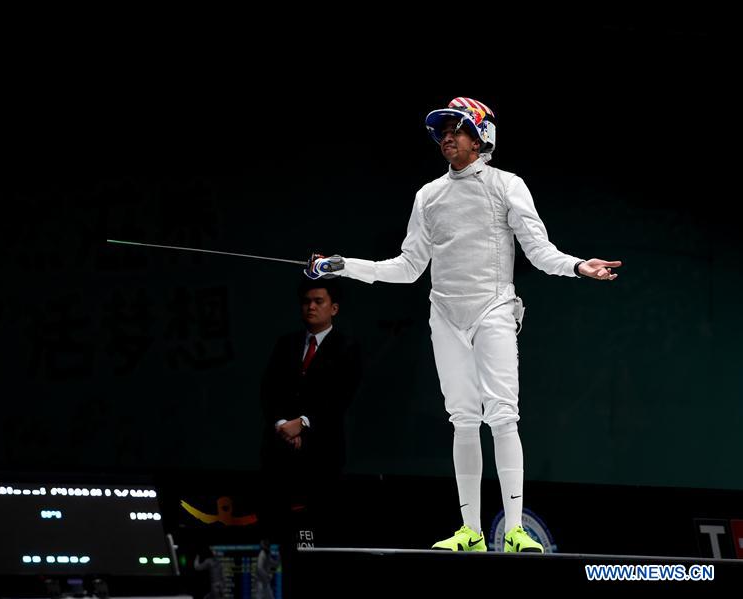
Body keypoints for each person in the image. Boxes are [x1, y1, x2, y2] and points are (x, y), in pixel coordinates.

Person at [307, 97, 621, 552]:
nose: (447, 136)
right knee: (463, 419)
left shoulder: (506, 186)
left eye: (457, 128)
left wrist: (577, 266)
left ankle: (514, 529)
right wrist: (342, 266)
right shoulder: (428, 196)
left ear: (481, 137)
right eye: (443, 131)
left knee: (503, 415)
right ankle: (470, 531)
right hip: (446, 316)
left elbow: (539, 250)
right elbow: (408, 266)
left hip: (493, 309)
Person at [259, 277, 361, 544]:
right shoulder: (286, 344)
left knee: (319, 531)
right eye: (306, 302)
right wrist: (283, 424)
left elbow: (340, 397)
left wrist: (303, 423)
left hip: (323, 455)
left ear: (334, 308)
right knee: (278, 531)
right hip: (281, 451)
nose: (311, 307)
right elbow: (269, 390)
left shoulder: (347, 347)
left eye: (318, 301)